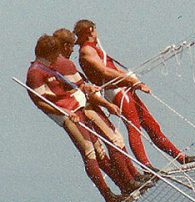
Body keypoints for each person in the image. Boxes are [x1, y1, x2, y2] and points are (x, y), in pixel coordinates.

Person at [73, 19, 195, 168]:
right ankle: (146, 165)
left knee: (152, 125)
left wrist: (134, 81)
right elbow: (104, 71)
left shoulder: (95, 48)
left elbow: (113, 69)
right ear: (91, 30)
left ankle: (180, 157)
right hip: (116, 91)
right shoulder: (87, 50)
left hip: (124, 88)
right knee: (134, 127)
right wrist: (130, 80)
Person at [25, 35, 135, 202]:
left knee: (99, 150)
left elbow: (69, 86)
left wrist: (85, 89)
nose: (56, 60)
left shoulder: (48, 68)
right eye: (54, 55)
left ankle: (122, 186)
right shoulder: (35, 73)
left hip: (76, 109)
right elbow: (40, 101)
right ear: (48, 53)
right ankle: (107, 195)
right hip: (67, 116)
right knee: (89, 152)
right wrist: (64, 112)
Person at [52, 28, 147, 191]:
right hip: (86, 108)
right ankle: (129, 181)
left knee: (104, 147)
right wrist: (108, 104)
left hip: (82, 108)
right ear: (66, 46)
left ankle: (131, 177)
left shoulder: (55, 63)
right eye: (71, 47)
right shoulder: (64, 64)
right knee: (114, 140)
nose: (73, 50)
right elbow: (85, 90)